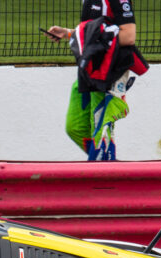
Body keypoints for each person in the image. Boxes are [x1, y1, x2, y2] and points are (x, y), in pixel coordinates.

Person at [47, 0, 144, 160]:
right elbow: (92, 31)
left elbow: (128, 36)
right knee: (75, 128)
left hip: (110, 71)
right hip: (90, 69)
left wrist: (92, 39)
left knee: (101, 131)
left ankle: (103, 168)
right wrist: (68, 33)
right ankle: (105, 163)